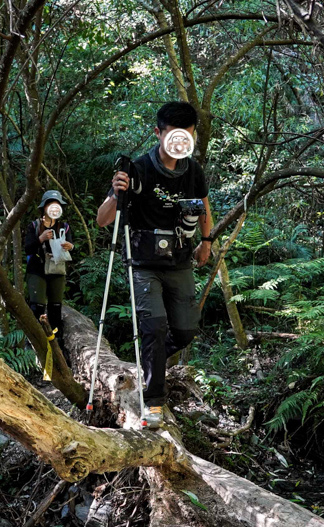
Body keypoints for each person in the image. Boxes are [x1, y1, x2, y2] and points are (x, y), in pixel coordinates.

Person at [96, 101, 214, 425]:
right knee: (154, 325)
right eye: (173, 134)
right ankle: (154, 402)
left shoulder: (193, 170)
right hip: (143, 262)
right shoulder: (138, 169)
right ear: (158, 133)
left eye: (186, 135)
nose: (180, 142)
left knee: (186, 330)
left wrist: (206, 242)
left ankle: (152, 358)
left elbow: (204, 208)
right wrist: (115, 193)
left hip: (179, 261)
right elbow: (102, 220)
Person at [25, 190, 74, 348]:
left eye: (57, 204)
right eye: (51, 204)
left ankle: (55, 340)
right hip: (37, 269)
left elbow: (72, 245)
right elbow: (28, 249)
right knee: (37, 306)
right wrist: (41, 238)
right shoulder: (34, 226)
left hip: (56, 269)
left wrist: (70, 246)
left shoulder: (64, 227)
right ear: (44, 207)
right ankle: (34, 341)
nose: (55, 207)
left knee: (55, 305)